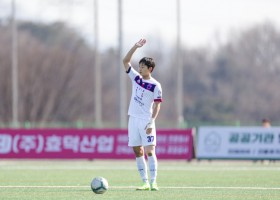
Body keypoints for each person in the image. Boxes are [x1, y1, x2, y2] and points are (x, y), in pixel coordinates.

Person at [122, 39, 163, 191]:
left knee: (150, 151)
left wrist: (151, 122)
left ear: (150, 69)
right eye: (139, 66)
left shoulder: (155, 85)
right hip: (133, 119)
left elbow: (157, 105)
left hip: (146, 121)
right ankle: (144, 182)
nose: (140, 69)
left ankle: (153, 182)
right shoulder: (136, 78)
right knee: (137, 151)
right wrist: (135, 47)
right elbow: (125, 61)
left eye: (143, 67)